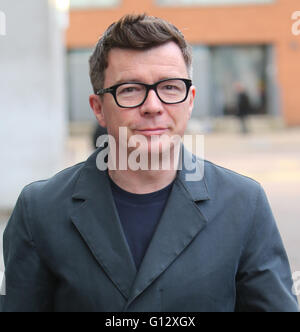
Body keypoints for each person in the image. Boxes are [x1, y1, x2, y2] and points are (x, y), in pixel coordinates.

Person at [0, 14, 298, 312]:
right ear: (98, 108)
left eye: (170, 87)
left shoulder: (244, 204)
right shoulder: (40, 210)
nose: (153, 106)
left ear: (190, 100)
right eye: (129, 89)